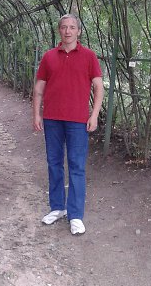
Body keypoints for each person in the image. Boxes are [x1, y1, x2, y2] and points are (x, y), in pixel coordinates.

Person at [32, 14, 104, 235]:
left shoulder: (89, 56)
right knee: (54, 163)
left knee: (77, 166)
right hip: (52, 118)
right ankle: (57, 208)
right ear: (59, 30)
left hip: (78, 120)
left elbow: (99, 87)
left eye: (72, 27)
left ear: (79, 31)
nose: (68, 31)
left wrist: (94, 115)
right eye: (64, 27)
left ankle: (75, 215)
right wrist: (37, 114)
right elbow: (39, 89)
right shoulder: (49, 57)